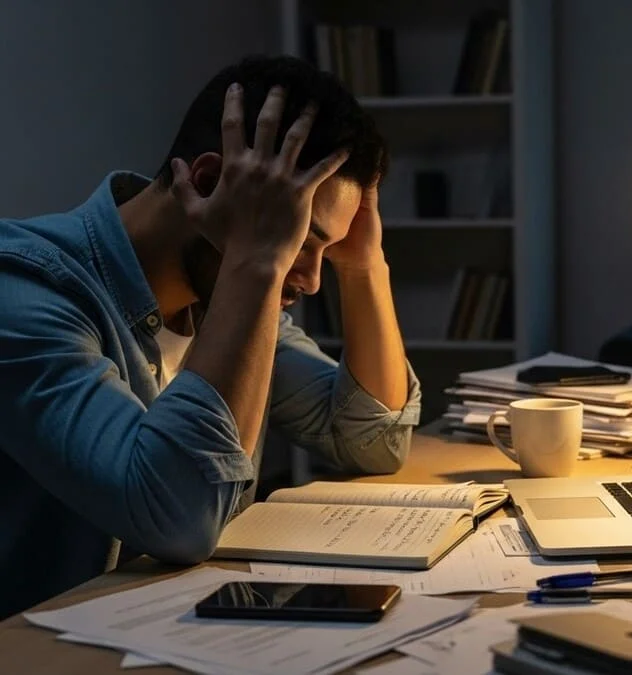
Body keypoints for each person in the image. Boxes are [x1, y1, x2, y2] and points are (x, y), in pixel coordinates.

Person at [0, 55, 421, 618]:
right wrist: (257, 260)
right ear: (203, 183)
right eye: (300, 239)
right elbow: (182, 519)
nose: (314, 280)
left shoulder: (222, 292)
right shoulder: (26, 294)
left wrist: (364, 263)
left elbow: (372, 440)